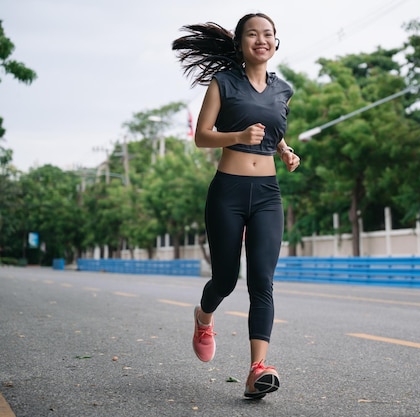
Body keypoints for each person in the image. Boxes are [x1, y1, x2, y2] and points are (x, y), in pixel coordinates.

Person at [172, 13, 300, 399]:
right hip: (227, 191)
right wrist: (239, 135)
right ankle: (203, 316)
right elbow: (202, 137)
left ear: (276, 42)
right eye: (252, 34)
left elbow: (273, 131)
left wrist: (285, 150)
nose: (261, 40)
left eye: (268, 34)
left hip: (267, 194)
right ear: (241, 43)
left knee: (262, 282)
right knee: (226, 279)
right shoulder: (223, 83)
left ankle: (257, 369)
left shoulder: (284, 90)